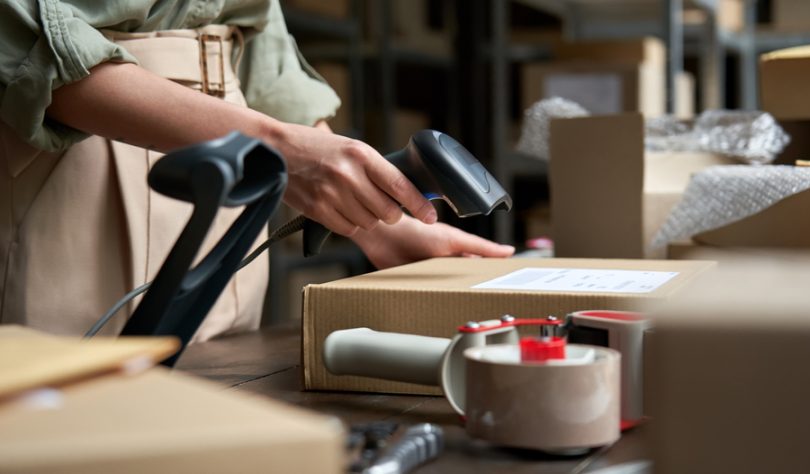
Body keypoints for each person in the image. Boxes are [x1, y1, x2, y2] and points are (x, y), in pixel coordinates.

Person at [0, 0, 514, 341]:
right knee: (79, 425)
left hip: (239, 172)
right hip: (82, 154)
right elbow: (22, 40)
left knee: (218, 404)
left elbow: (266, 57)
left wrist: (380, 220)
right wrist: (278, 148)